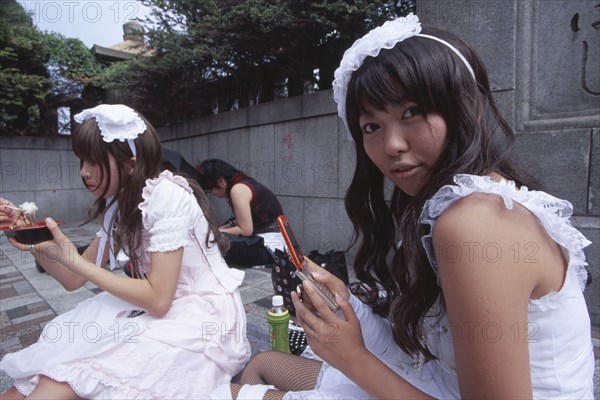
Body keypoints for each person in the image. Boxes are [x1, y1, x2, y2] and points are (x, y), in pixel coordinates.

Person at [210, 14, 595, 400]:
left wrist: (352, 358)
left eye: (411, 112)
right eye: (372, 126)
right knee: (262, 364)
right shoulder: (461, 199)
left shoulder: (476, 223)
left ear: (465, 108)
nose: (391, 144)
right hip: (439, 385)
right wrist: (348, 306)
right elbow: (432, 361)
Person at [0, 104, 251, 399]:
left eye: (93, 162)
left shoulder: (167, 196)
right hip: (155, 305)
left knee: (62, 379)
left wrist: (72, 259)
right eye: (81, 161)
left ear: (131, 163)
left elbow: (158, 299)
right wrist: (37, 243)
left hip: (202, 315)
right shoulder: (121, 204)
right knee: (48, 371)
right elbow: (72, 279)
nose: (84, 172)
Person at [196, 159, 285, 268]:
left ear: (220, 181)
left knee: (215, 241)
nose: (214, 194)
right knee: (216, 236)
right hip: (273, 243)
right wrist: (223, 228)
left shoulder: (238, 189)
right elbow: (242, 220)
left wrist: (216, 232)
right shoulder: (243, 183)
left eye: (211, 190)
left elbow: (246, 230)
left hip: (270, 248)